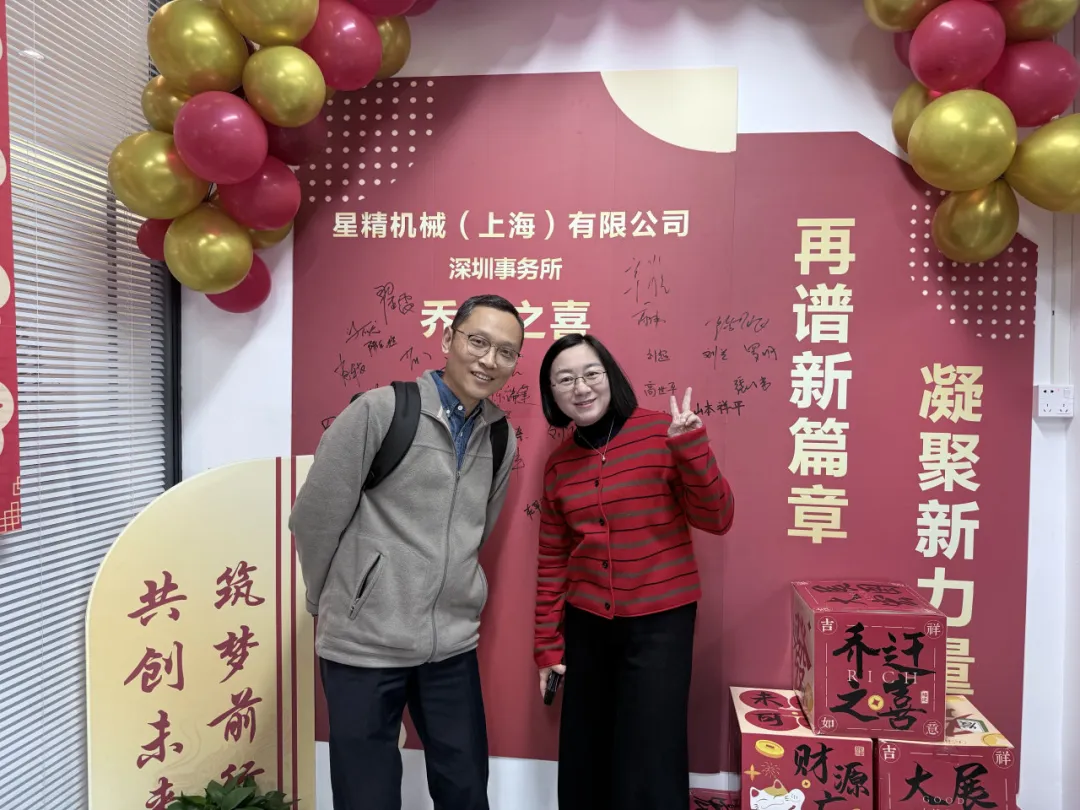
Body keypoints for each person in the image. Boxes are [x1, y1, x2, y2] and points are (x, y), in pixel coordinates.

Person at [290, 294, 525, 810]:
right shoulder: (381, 411)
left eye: (506, 352)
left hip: (450, 646)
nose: (489, 360)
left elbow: (477, 530)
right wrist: (335, 601)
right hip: (364, 645)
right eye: (478, 342)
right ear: (447, 339)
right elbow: (314, 517)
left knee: (466, 790)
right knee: (367, 797)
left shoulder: (500, 436)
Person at [532, 333, 735, 810]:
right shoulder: (558, 465)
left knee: (651, 753)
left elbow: (718, 518)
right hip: (587, 625)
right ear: (552, 395)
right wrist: (546, 646)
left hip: (661, 624)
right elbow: (552, 561)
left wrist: (691, 447)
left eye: (591, 374)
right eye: (565, 380)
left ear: (611, 377)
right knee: (587, 752)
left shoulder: (664, 432)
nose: (581, 388)